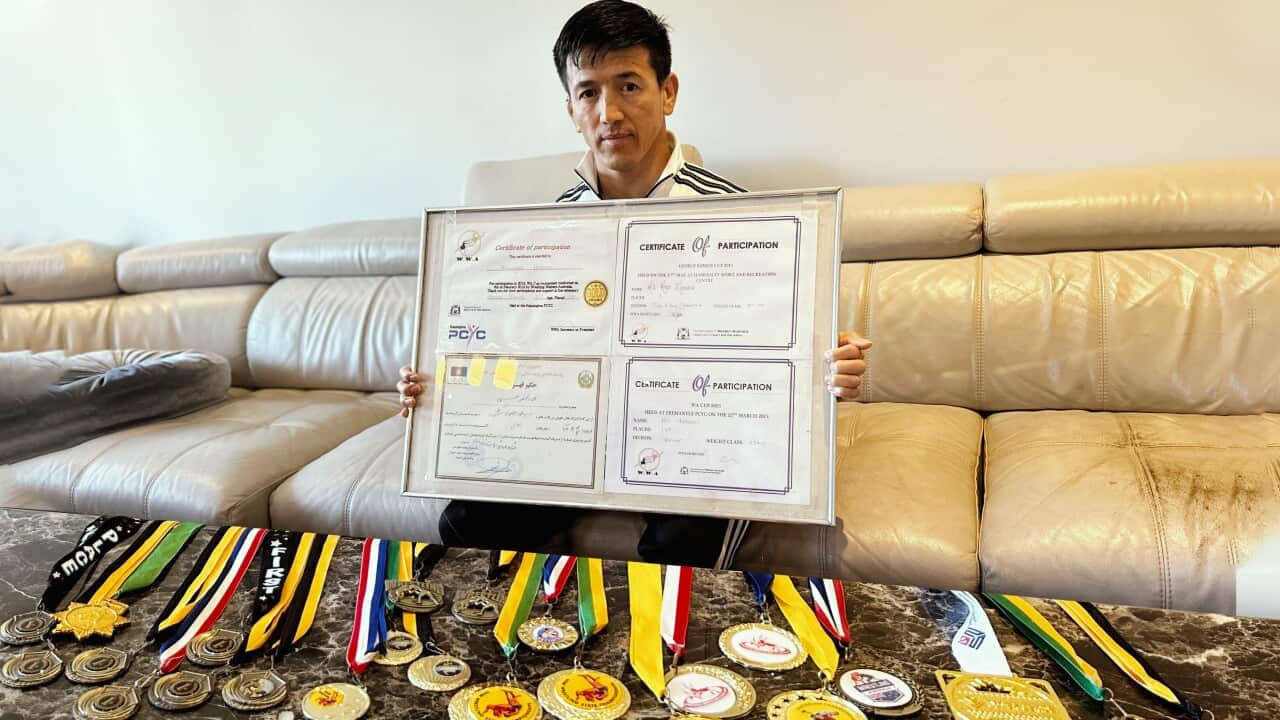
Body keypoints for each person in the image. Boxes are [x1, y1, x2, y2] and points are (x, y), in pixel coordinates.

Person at [399, 0, 871, 569]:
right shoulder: (543, 229)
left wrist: (827, 367)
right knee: (471, 521)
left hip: (689, 433)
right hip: (572, 431)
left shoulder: (743, 219)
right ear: (571, 108)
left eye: (629, 86)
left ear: (667, 92)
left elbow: (782, 346)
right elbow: (516, 351)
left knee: (682, 547)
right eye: (589, 92)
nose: (610, 112)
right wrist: (445, 390)